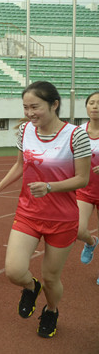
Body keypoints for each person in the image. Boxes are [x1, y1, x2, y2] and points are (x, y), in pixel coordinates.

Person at [0, 81, 91, 339]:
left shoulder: (75, 135)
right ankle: (31, 288)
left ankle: (51, 310)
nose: (30, 113)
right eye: (26, 107)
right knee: (13, 271)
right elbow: (20, 165)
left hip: (62, 219)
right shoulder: (24, 131)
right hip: (28, 213)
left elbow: (82, 179)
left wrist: (50, 186)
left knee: (52, 277)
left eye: (36, 107)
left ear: (54, 104)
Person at [77, 91, 99, 284]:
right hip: (85, 190)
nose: (95, 106)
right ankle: (91, 242)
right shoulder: (79, 132)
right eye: (91, 102)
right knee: (77, 229)